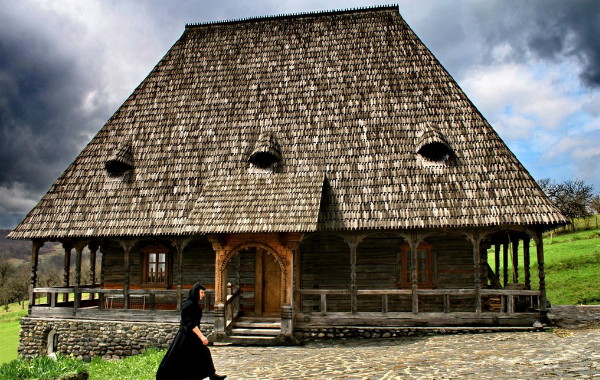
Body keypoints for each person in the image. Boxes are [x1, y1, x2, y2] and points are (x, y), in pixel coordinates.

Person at [156, 282, 226, 380]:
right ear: (196, 292)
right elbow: (190, 323)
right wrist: (201, 336)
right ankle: (164, 376)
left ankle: (211, 375)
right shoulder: (189, 304)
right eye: (201, 292)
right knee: (178, 356)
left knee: (203, 352)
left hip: (191, 334)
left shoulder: (193, 303)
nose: (203, 295)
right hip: (186, 335)